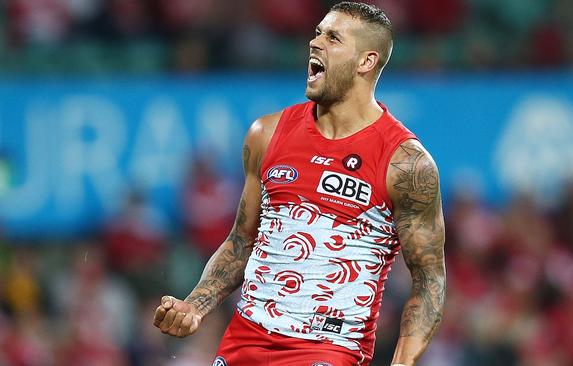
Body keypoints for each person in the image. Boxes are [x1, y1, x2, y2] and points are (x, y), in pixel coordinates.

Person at [153, 2, 446, 365]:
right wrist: (195, 306)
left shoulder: (405, 163)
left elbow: (429, 280)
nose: (315, 42)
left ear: (366, 62)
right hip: (244, 341)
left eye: (333, 38)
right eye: (317, 32)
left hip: (328, 349)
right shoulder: (267, 134)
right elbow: (241, 241)